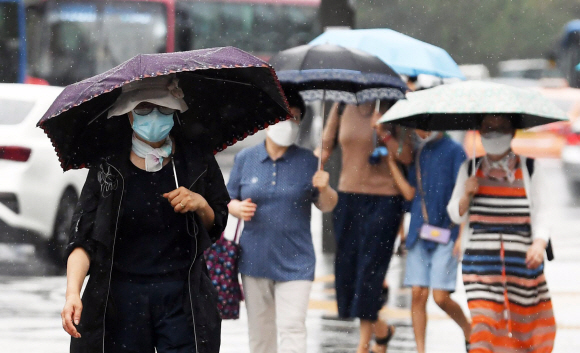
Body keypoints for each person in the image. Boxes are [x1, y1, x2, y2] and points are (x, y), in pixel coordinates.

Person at [60, 76, 230, 353]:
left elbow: (216, 223)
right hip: (119, 299)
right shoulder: (107, 166)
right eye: (143, 109)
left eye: (163, 109)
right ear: (127, 114)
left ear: (175, 111)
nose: (154, 117)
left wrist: (200, 203)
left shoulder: (196, 160)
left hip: (182, 296)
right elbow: (84, 238)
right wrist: (72, 294)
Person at [227, 92, 338, 353]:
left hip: (296, 261)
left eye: (295, 117)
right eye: (284, 115)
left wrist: (325, 188)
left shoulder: (310, 162)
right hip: (255, 259)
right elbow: (227, 199)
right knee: (261, 332)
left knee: (293, 328)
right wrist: (236, 208)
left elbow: (327, 204)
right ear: (268, 118)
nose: (289, 122)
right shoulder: (246, 158)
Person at [447, 114, 556, 353]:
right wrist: (466, 195)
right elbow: (455, 213)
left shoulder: (529, 167)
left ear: (513, 132)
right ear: (479, 131)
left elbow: (544, 212)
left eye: (501, 128)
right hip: (480, 265)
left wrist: (539, 243)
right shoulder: (469, 169)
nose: (494, 134)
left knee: (525, 330)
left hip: (523, 264)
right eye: (488, 128)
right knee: (484, 324)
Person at [318, 102, 413, 353]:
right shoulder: (341, 106)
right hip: (347, 197)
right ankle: (381, 330)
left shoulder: (396, 106)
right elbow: (325, 148)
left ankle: (363, 345)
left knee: (370, 271)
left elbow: (406, 156)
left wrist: (384, 132)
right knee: (347, 272)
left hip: (385, 199)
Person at [384, 128, 471, 353]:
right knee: (417, 294)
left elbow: (464, 196)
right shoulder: (420, 153)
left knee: (440, 297)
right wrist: (392, 165)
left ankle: (468, 329)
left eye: (425, 127)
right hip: (418, 233)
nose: (421, 132)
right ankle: (420, 349)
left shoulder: (456, 152)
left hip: (447, 232)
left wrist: (462, 234)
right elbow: (411, 194)